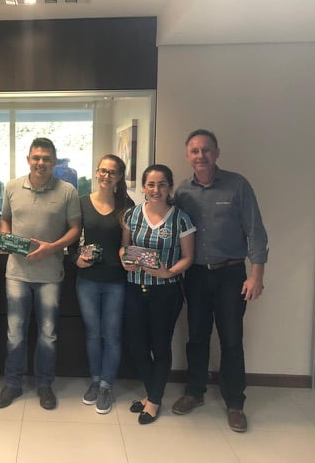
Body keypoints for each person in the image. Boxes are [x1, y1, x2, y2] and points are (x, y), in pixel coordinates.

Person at [172, 129, 268, 433]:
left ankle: (235, 402)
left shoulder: (237, 185)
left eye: (206, 150)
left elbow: (255, 231)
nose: (201, 156)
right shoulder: (182, 192)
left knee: (231, 339)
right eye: (195, 151)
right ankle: (194, 392)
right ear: (187, 155)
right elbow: (174, 232)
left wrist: (257, 274)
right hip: (196, 274)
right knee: (197, 336)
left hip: (231, 274)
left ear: (217, 153)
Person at [0, 137, 81, 410]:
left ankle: (45, 385)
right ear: (28, 159)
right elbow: (5, 218)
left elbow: (75, 229)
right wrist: (6, 238)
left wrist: (52, 247)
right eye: (36, 158)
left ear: (54, 161)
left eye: (46, 158)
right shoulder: (11, 187)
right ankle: (13, 384)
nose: (40, 162)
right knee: (15, 333)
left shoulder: (67, 191)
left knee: (48, 334)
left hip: (50, 274)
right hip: (17, 274)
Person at [121, 164, 196, 425]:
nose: (156, 189)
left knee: (160, 345)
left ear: (170, 187)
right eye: (151, 184)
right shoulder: (132, 214)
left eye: (162, 184)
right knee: (137, 345)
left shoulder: (181, 219)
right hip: (134, 288)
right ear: (143, 187)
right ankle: (151, 393)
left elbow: (188, 257)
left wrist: (168, 272)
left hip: (166, 291)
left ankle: (153, 400)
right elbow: (124, 247)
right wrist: (124, 260)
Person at [71, 154, 134, 414]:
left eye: (112, 172)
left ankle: (107, 385)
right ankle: (95, 382)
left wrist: (128, 256)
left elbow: (129, 243)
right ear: (96, 173)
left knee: (112, 334)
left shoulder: (127, 206)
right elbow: (72, 238)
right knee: (93, 334)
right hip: (87, 280)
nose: (106, 175)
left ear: (119, 177)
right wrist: (76, 259)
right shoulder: (81, 203)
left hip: (116, 281)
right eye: (103, 171)